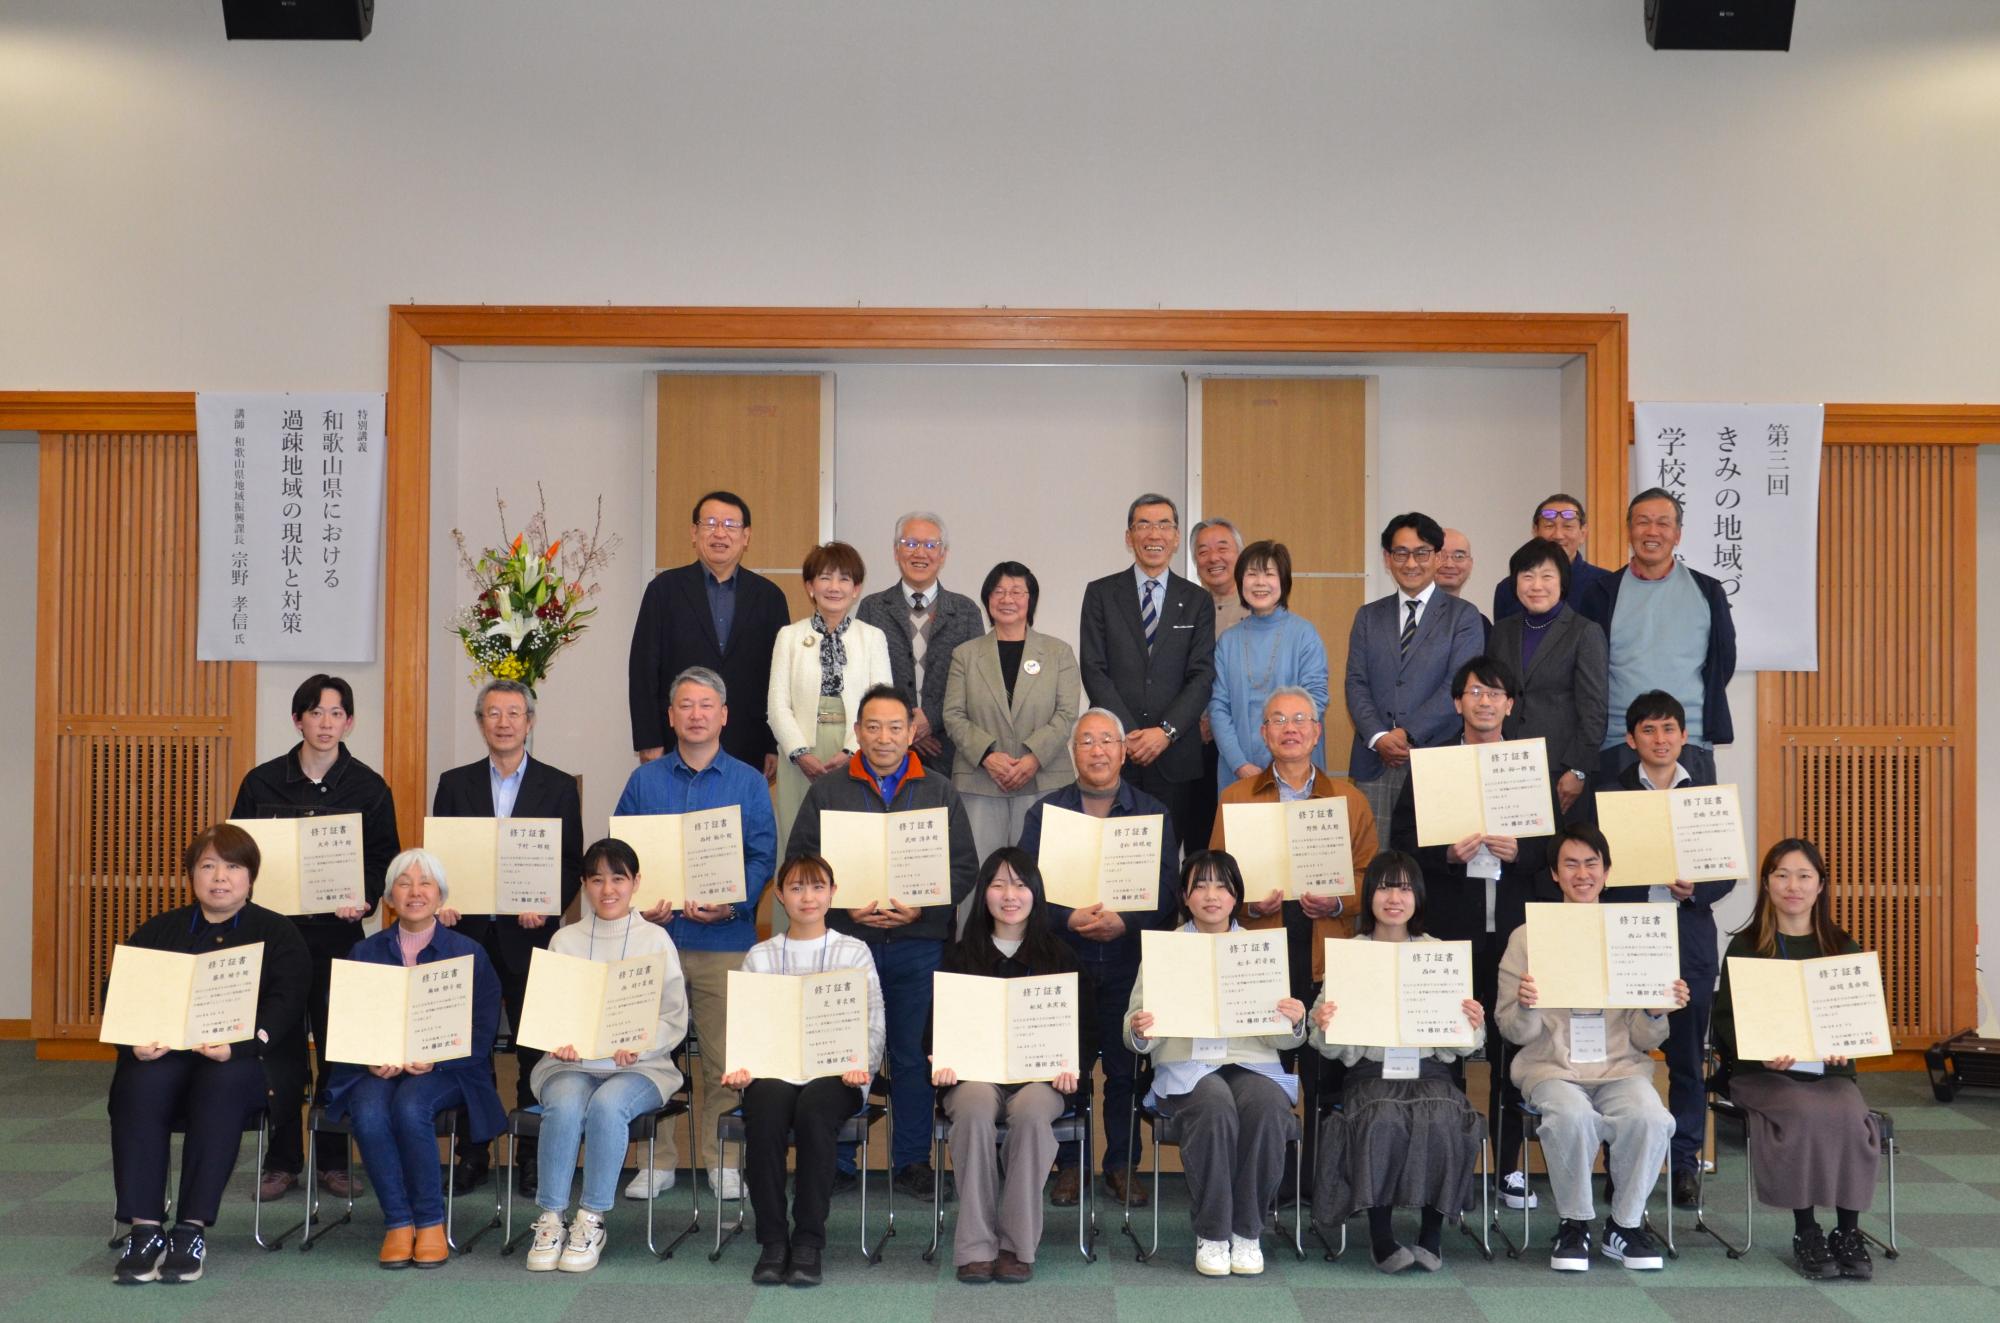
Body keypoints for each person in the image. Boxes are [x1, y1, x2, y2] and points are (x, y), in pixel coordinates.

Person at [785, 683, 979, 1199]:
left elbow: (965, 868)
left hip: (919, 944)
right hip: (849, 944)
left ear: (912, 733)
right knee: (843, 1051)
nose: (884, 737)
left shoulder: (939, 790)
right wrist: (842, 906)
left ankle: (911, 1160)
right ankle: (840, 1159)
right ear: (857, 732)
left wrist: (925, 907)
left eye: (896, 727)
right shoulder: (828, 791)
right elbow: (800, 860)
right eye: (873, 727)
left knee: (912, 1054)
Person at [1388, 656, 1557, 1211]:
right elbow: (1403, 847)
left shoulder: (1530, 768)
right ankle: (1452, 1162)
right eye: (1474, 692)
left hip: (1512, 933)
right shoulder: (1431, 768)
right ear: (1457, 702)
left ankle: (1509, 1167)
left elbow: (1554, 855)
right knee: (1449, 1049)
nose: (1485, 701)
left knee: (1513, 1047)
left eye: (1496, 692)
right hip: (1449, 933)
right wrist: (1447, 855)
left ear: (1510, 704)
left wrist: (1523, 850)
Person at [109, 823, 311, 1286]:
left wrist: (239, 1045)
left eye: (233, 866)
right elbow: (122, 992)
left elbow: (286, 1004)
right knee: (140, 1081)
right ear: (191, 876)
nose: (220, 877)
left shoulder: (277, 932)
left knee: (218, 1085)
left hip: (246, 1059)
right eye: (208, 866)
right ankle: (144, 1229)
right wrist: (132, 1040)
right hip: (169, 1053)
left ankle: (190, 1229)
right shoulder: (161, 929)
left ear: (251, 878)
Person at [611, 665, 778, 1203]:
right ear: (670, 716)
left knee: (725, 1058)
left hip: (723, 942)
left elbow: (761, 855)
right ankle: (655, 1160)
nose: (696, 714)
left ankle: (723, 1158)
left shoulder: (748, 781)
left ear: (724, 715)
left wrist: (731, 903)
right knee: (646, 1051)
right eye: (685, 705)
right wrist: (640, 900)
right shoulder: (645, 781)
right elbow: (621, 857)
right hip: (651, 942)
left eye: (706, 705)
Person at [231, 673, 399, 1201]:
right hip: (275, 939)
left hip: (337, 936)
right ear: (297, 719)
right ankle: (281, 1161)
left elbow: (383, 862)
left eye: (335, 713)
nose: (325, 723)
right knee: (277, 1048)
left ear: (349, 721)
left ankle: (332, 1159)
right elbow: (241, 858)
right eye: (315, 712)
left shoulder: (368, 787)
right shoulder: (262, 783)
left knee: (337, 1048)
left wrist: (367, 897)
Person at [1497, 824, 1687, 1273]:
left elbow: (1643, 1040)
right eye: (1570, 864)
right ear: (1554, 875)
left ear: (1607, 872)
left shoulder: (1636, 933)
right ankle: (1575, 1221)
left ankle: (1624, 1224)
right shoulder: (1528, 938)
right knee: (1571, 1115)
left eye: (1592, 864)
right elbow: (1512, 1029)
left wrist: (1657, 1013)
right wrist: (1526, 1005)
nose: (1582, 874)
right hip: (1551, 1068)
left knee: (1652, 1117)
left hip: (1621, 1066)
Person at [1018, 708, 1180, 1210]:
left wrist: (1124, 922)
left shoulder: (1153, 812)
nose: (1097, 750)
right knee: (1066, 1066)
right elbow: (1027, 891)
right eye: (1086, 741)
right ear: (1072, 753)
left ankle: (1121, 1167)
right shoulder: (1045, 815)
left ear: (1124, 751)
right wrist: (1067, 919)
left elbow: (1168, 894)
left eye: (1107, 740)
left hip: (1130, 960)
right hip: (1065, 956)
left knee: (1126, 1070)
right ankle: (1069, 1166)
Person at [430, 678, 584, 1194]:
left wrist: (545, 904)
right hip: (466, 936)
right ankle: (472, 1153)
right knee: (468, 1049)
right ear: (480, 723)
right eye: (492, 714)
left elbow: (569, 864)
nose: (503, 723)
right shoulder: (454, 784)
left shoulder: (559, 785)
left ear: (530, 722)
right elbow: (442, 860)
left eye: (513, 713)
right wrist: (443, 901)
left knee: (532, 1051)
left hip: (529, 939)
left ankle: (531, 1155)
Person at [1125, 850, 1308, 1277]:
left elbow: (1281, 1037)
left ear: (1236, 895)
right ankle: (1212, 1232)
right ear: (1185, 897)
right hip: (1188, 1065)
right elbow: (1132, 1033)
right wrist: (1140, 1029)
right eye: (1200, 886)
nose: (1212, 895)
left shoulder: (1258, 948)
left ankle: (1246, 1232)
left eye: (1222, 886)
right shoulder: (1166, 950)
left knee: (1267, 1104)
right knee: (1214, 1103)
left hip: (1251, 1062)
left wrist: (1295, 1023)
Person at [321, 849, 505, 1269]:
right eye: (404, 883)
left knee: (410, 1105)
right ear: (389, 897)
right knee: (367, 1111)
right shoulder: (364, 951)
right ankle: (398, 1223)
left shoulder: (468, 952)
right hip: (377, 1067)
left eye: (426, 883)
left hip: (448, 1069)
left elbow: (482, 1028)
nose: (415, 891)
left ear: (440, 896)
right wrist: (367, 1058)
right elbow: (344, 1017)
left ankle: (429, 1221)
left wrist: (435, 1060)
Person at [1712, 838, 1882, 1281]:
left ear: (1821, 885)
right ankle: (1806, 1231)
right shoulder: (1747, 947)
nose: (1793, 885)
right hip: (1762, 1074)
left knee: (1851, 1115)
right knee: (1804, 1112)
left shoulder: (1841, 946)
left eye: (1804, 876)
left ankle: (1848, 1232)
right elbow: (1725, 1021)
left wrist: (1848, 1043)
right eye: (1782, 875)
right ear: (1767, 883)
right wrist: (1761, 1053)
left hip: (1829, 1072)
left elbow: (1858, 1019)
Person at [1308, 852, 1485, 1273]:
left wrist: (1473, 1024)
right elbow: (1325, 1046)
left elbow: (1466, 1045)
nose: (1394, 897)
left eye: (1405, 888)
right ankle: (1382, 1236)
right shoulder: (1350, 955)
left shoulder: (1439, 954)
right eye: (1385, 886)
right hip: (1371, 1075)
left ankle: (1431, 1234)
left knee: (1444, 1116)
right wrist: (1325, 1024)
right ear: (1370, 895)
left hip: (1431, 1072)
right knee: (1382, 1117)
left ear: (1417, 897)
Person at [521, 838, 689, 1273]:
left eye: (618, 878)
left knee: (609, 1105)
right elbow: (547, 1010)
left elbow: (674, 1014)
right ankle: (552, 1217)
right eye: (597, 879)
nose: (607, 889)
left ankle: (591, 1218)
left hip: (641, 1066)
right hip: (570, 1063)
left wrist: (642, 1043)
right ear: (583, 885)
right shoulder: (564, 940)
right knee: (565, 1102)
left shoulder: (656, 939)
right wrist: (556, 1038)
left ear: (636, 883)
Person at [723, 853, 886, 1288]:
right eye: (796, 887)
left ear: (833, 893)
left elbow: (873, 1021)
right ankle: (773, 1240)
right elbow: (746, 1025)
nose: (807, 897)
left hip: (836, 1075)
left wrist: (860, 1065)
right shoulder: (761, 955)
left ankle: (809, 1240)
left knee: (816, 1111)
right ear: (779, 895)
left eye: (817, 887)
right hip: (773, 1071)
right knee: (767, 1111)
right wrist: (741, 1065)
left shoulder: (854, 951)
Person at [1601, 689, 1736, 1207]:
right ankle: (1620, 1166)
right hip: (1628, 940)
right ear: (1632, 740)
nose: (1661, 739)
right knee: (1623, 1058)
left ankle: (1684, 1166)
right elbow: (1592, 872)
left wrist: (1695, 889)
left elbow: (1725, 874)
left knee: (1685, 1060)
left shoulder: (1706, 796)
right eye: (1649, 731)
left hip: (1688, 942)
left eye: (1670, 729)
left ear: (1683, 736)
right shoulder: (1610, 796)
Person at [932, 848, 1092, 1283]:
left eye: (1020, 884)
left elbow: (1083, 1030)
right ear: (983, 893)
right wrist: (942, 1060)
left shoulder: (1060, 957)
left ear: (1035, 893)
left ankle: (1016, 1246)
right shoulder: (959, 956)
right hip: (976, 1077)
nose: (1010, 894)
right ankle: (976, 1246)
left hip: (1039, 1079)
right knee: (973, 1108)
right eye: (998, 884)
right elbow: (936, 1029)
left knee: (1034, 1112)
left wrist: (1069, 1065)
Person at [1078, 492, 1217, 857]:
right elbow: (1094, 669)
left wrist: (1165, 733)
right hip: (1115, 757)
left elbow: (1201, 676)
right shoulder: (1101, 594)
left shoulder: (1198, 600)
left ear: (1175, 538)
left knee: (1168, 862)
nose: (1153, 534)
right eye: (1143, 525)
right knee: (1114, 859)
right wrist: (1128, 736)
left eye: (1163, 525)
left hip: (1176, 758)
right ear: (1129, 537)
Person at [1212, 687, 1376, 990]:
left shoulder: (1350, 800)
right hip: (1256, 953)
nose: (1290, 728)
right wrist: (1249, 906)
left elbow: (1370, 878)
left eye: (1300, 719)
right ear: (1264, 733)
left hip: (1327, 949)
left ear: (1316, 732)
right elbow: (1214, 880)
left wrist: (1337, 902)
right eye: (1278, 720)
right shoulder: (1235, 798)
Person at [1575, 488, 1737, 786]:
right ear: (1629, 530)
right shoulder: (1601, 594)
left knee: (1689, 832)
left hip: (1689, 742)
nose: (1652, 531)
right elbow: (1587, 672)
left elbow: (1722, 662)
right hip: (1619, 742)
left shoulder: (1708, 591)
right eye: (1642, 522)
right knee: (1621, 834)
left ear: (1677, 534)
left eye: (1663, 523)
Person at [628, 489, 791, 774]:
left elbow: (777, 677)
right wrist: (648, 739)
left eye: (730, 525)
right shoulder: (663, 590)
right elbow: (643, 669)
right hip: (675, 740)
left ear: (746, 536)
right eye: (710, 523)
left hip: (747, 743)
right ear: (694, 532)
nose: (720, 533)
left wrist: (771, 743)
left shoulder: (769, 597)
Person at [1344, 512, 1486, 828]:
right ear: (1387, 558)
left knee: (1429, 868)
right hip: (1375, 760)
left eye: (1421, 553)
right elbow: (1356, 682)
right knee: (1375, 865)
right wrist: (1380, 736)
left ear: (1437, 557)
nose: (1411, 563)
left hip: (1436, 757)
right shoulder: (1368, 616)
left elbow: (1457, 685)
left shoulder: (1463, 617)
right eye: (1401, 553)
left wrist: (1407, 733)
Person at [941, 560, 1081, 858]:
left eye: (1017, 591)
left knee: (1043, 872)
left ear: (1031, 600)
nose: (1007, 599)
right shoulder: (965, 655)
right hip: (979, 780)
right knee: (979, 873)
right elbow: (953, 715)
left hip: (1044, 779)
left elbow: (1067, 713)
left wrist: (1033, 758)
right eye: (999, 591)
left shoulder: (1059, 653)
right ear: (987, 598)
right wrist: (988, 757)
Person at [768, 540, 894, 848]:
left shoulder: (872, 637)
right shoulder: (789, 636)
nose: (834, 587)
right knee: (798, 842)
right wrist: (800, 753)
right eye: (825, 577)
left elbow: (883, 706)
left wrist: (853, 752)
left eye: (844, 578)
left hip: (859, 747)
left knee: (853, 842)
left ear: (856, 588)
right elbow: (777, 705)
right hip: (800, 752)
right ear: (810, 586)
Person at [855, 511, 985, 775]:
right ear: (896, 551)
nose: (920, 553)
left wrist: (931, 719)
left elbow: (974, 682)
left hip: (947, 749)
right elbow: (863, 678)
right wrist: (907, 725)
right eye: (911, 544)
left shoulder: (966, 611)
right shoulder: (872, 607)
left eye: (930, 545)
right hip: (885, 748)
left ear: (943, 554)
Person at [1488, 539, 1608, 823]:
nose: (1536, 585)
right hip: (1508, 767)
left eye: (1547, 576)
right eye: (1527, 576)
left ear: (1562, 582)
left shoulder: (1585, 632)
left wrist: (1578, 770)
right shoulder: (1502, 631)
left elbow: (1595, 709)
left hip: (1560, 769)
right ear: (1515, 584)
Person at [1207, 540, 1331, 786]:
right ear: (1241, 581)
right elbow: (1218, 707)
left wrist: (1282, 758)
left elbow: (1316, 699)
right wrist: (1239, 763)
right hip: (1238, 768)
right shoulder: (1228, 641)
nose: (1260, 582)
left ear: (1283, 582)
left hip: (1295, 766)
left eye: (1269, 574)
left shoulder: (1304, 634)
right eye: (1252, 574)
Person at [1188, 516, 1247, 854]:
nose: (1213, 558)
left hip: (1243, 742)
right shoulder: (1188, 606)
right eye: (1203, 551)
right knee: (1201, 838)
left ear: (1240, 554)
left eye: (1222, 548)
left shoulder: (1260, 606)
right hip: (1195, 743)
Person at [1493, 492, 1613, 620]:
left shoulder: (1605, 584)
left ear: (1583, 534)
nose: (1558, 535)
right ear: (1535, 531)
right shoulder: (1509, 588)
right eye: (1549, 526)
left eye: (1568, 526)